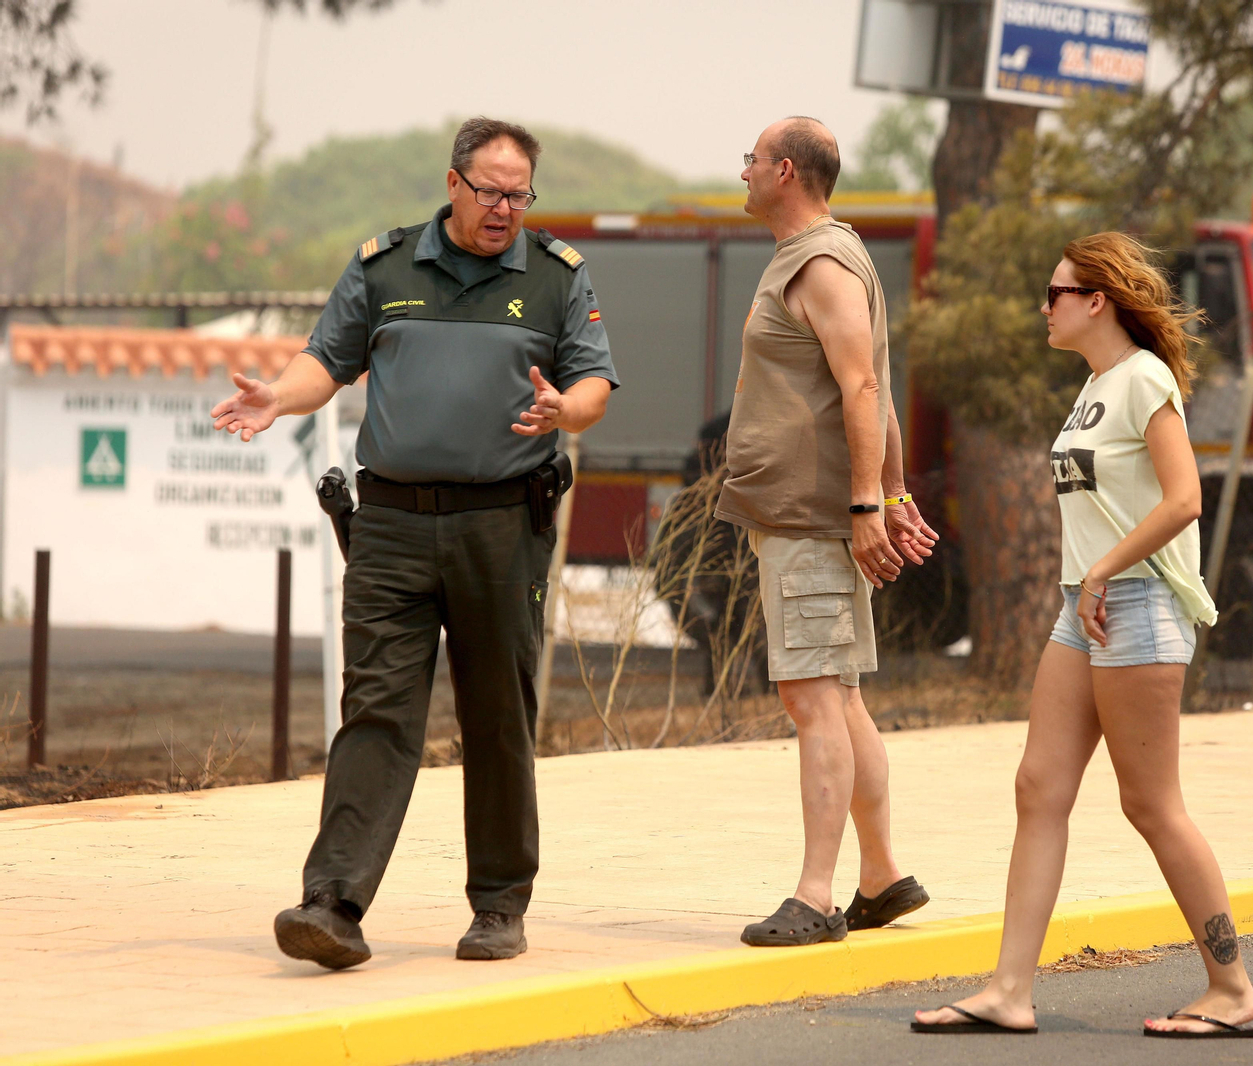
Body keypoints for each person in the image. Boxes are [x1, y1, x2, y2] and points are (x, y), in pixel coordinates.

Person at [210, 117, 619, 970]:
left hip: (502, 525)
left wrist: (564, 410)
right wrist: (277, 397)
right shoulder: (385, 267)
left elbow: (592, 385)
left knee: (497, 716)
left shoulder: (555, 277)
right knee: (376, 711)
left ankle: (499, 906)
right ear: (454, 184)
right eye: (491, 192)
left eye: (520, 195)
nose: (505, 209)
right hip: (391, 526)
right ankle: (332, 904)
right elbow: (326, 361)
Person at [911, 233, 1253, 1038]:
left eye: (1055, 294)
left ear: (1096, 300)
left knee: (1151, 804)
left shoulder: (1144, 380)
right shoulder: (1095, 387)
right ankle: (1009, 990)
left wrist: (1104, 569)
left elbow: (1185, 499)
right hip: (1086, 606)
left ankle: (1232, 987)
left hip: (1137, 604)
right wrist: (1090, 579)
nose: (1043, 308)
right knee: (1038, 786)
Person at [716, 116, 939, 946]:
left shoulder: (821, 262)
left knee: (813, 699)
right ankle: (881, 877)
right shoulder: (816, 256)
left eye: (751, 159)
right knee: (840, 697)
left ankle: (815, 897)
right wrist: (893, 491)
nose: (742, 171)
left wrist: (867, 506)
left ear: (784, 171)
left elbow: (862, 387)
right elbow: (873, 388)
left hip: (813, 519)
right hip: (810, 514)